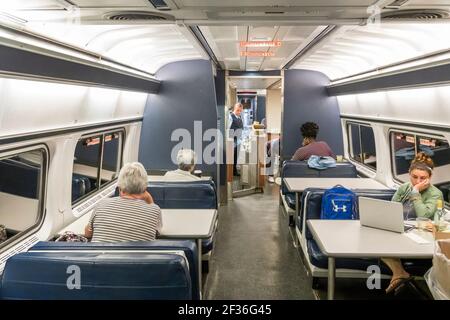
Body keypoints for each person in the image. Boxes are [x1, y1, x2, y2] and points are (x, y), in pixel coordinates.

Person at [382, 152, 444, 294]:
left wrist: (416, 192)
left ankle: (398, 273)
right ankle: (399, 273)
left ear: (430, 178)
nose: (417, 181)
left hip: (421, 236)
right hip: (401, 231)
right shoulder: (404, 187)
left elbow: (423, 215)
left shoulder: (435, 194)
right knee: (377, 241)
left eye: (423, 178)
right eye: (414, 177)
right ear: (409, 174)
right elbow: (391, 208)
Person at [84, 162, 162, 242]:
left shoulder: (101, 204)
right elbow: (156, 233)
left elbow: (88, 234)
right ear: (144, 189)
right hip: (135, 255)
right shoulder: (155, 210)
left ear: (120, 187)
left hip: (103, 254)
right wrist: (149, 198)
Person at [229, 103, 244, 176]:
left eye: (240, 111)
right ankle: (231, 172)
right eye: (237, 110)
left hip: (238, 140)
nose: (239, 112)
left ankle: (234, 171)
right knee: (232, 157)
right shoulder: (230, 117)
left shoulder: (239, 117)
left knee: (236, 156)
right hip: (232, 140)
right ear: (234, 109)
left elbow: (241, 127)